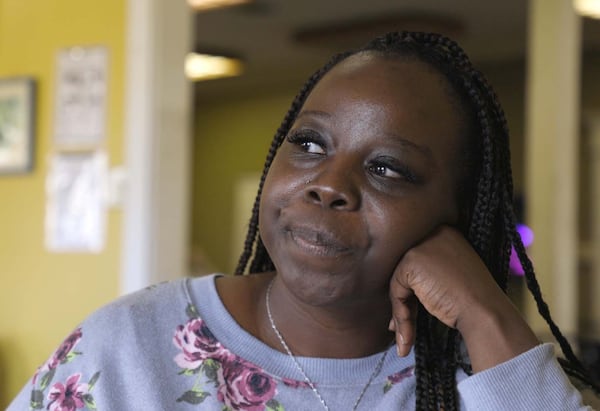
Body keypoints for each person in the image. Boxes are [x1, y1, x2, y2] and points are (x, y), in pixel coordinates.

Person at [8, 31, 600, 411]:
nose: (328, 184)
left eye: (388, 168)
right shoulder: (131, 347)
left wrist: (487, 312)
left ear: (455, 218)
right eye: (311, 144)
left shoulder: (488, 378)